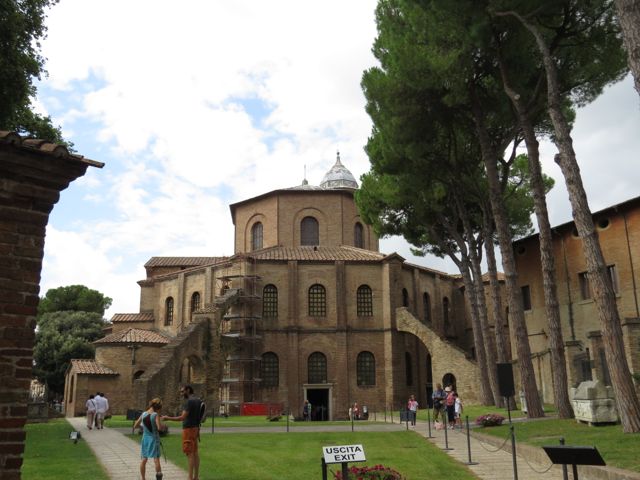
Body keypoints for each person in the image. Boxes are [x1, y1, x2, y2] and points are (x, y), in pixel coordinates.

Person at [163, 385, 202, 480]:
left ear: (188, 390)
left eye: (182, 391)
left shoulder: (189, 402)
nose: (181, 394)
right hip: (196, 428)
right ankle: (196, 477)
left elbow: (182, 417)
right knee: (195, 453)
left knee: (190, 454)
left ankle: (189, 478)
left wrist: (167, 418)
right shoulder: (198, 400)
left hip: (188, 429)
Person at [134, 398, 164, 480]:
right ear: (158, 407)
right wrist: (161, 424)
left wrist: (144, 427)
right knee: (156, 459)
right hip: (154, 439)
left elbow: (135, 426)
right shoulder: (155, 415)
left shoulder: (143, 414)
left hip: (145, 439)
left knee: (144, 459)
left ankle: (143, 478)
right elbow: (159, 428)